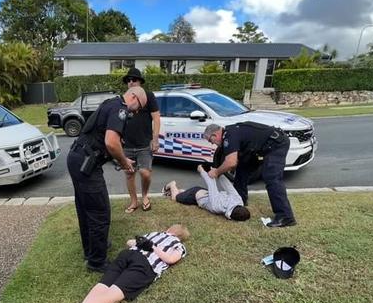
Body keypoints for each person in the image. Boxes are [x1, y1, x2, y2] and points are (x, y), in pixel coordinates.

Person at [42, 224, 190, 303]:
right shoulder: (173, 243)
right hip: (142, 263)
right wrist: (147, 245)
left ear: (170, 230)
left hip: (133, 258)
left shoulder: (163, 238)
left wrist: (148, 244)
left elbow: (135, 244)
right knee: (112, 294)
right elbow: (165, 257)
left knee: (103, 287)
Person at [68, 86, 148, 272]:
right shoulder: (120, 108)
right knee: (100, 212)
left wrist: (122, 158)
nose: (135, 113)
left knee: (85, 207)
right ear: (134, 97)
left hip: (77, 158)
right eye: (138, 108)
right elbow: (111, 142)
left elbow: (104, 139)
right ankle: (97, 262)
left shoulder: (109, 103)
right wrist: (124, 161)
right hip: (86, 164)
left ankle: (92, 249)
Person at [204, 122, 296, 227]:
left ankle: (286, 217)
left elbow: (231, 162)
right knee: (242, 170)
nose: (212, 143)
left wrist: (216, 172)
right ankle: (239, 201)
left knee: (271, 178)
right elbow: (234, 163)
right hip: (257, 149)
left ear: (215, 135)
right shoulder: (230, 133)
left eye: (210, 140)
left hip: (276, 144)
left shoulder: (229, 136)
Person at [120, 68, 160, 214]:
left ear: (140, 82)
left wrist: (155, 139)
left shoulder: (148, 96)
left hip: (144, 144)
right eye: (128, 80)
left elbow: (156, 118)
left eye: (134, 79)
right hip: (127, 145)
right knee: (129, 174)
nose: (131, 82)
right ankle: (133, 201)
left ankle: (144, 196)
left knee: (145, 173)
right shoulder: (123, 98)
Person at [163, 165, 250, 221]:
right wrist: (202, 171)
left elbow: (228, 187)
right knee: (175, 198)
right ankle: (171, 184)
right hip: (196, 194)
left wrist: (219, 174)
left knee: (183, 194)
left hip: (203, 195)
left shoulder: (239, 200)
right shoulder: (218, 206)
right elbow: (212, 186)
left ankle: (177, 191)